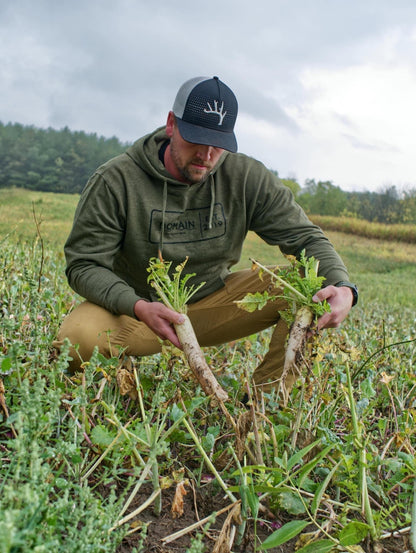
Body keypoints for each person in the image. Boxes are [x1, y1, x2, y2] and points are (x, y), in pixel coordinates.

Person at [54, 75, 358, 393]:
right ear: (172, 124)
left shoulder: (245, 177)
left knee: (306, 289)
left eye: (218, 144)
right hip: (137, 313)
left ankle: (262, 407)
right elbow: (84, 265)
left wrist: (343, 287)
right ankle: (116, 371)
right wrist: (137, 306)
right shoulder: (117, 181)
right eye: (196, 138)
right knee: (75, 339)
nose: (206, 154)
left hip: (213, 304)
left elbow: (306, 238)